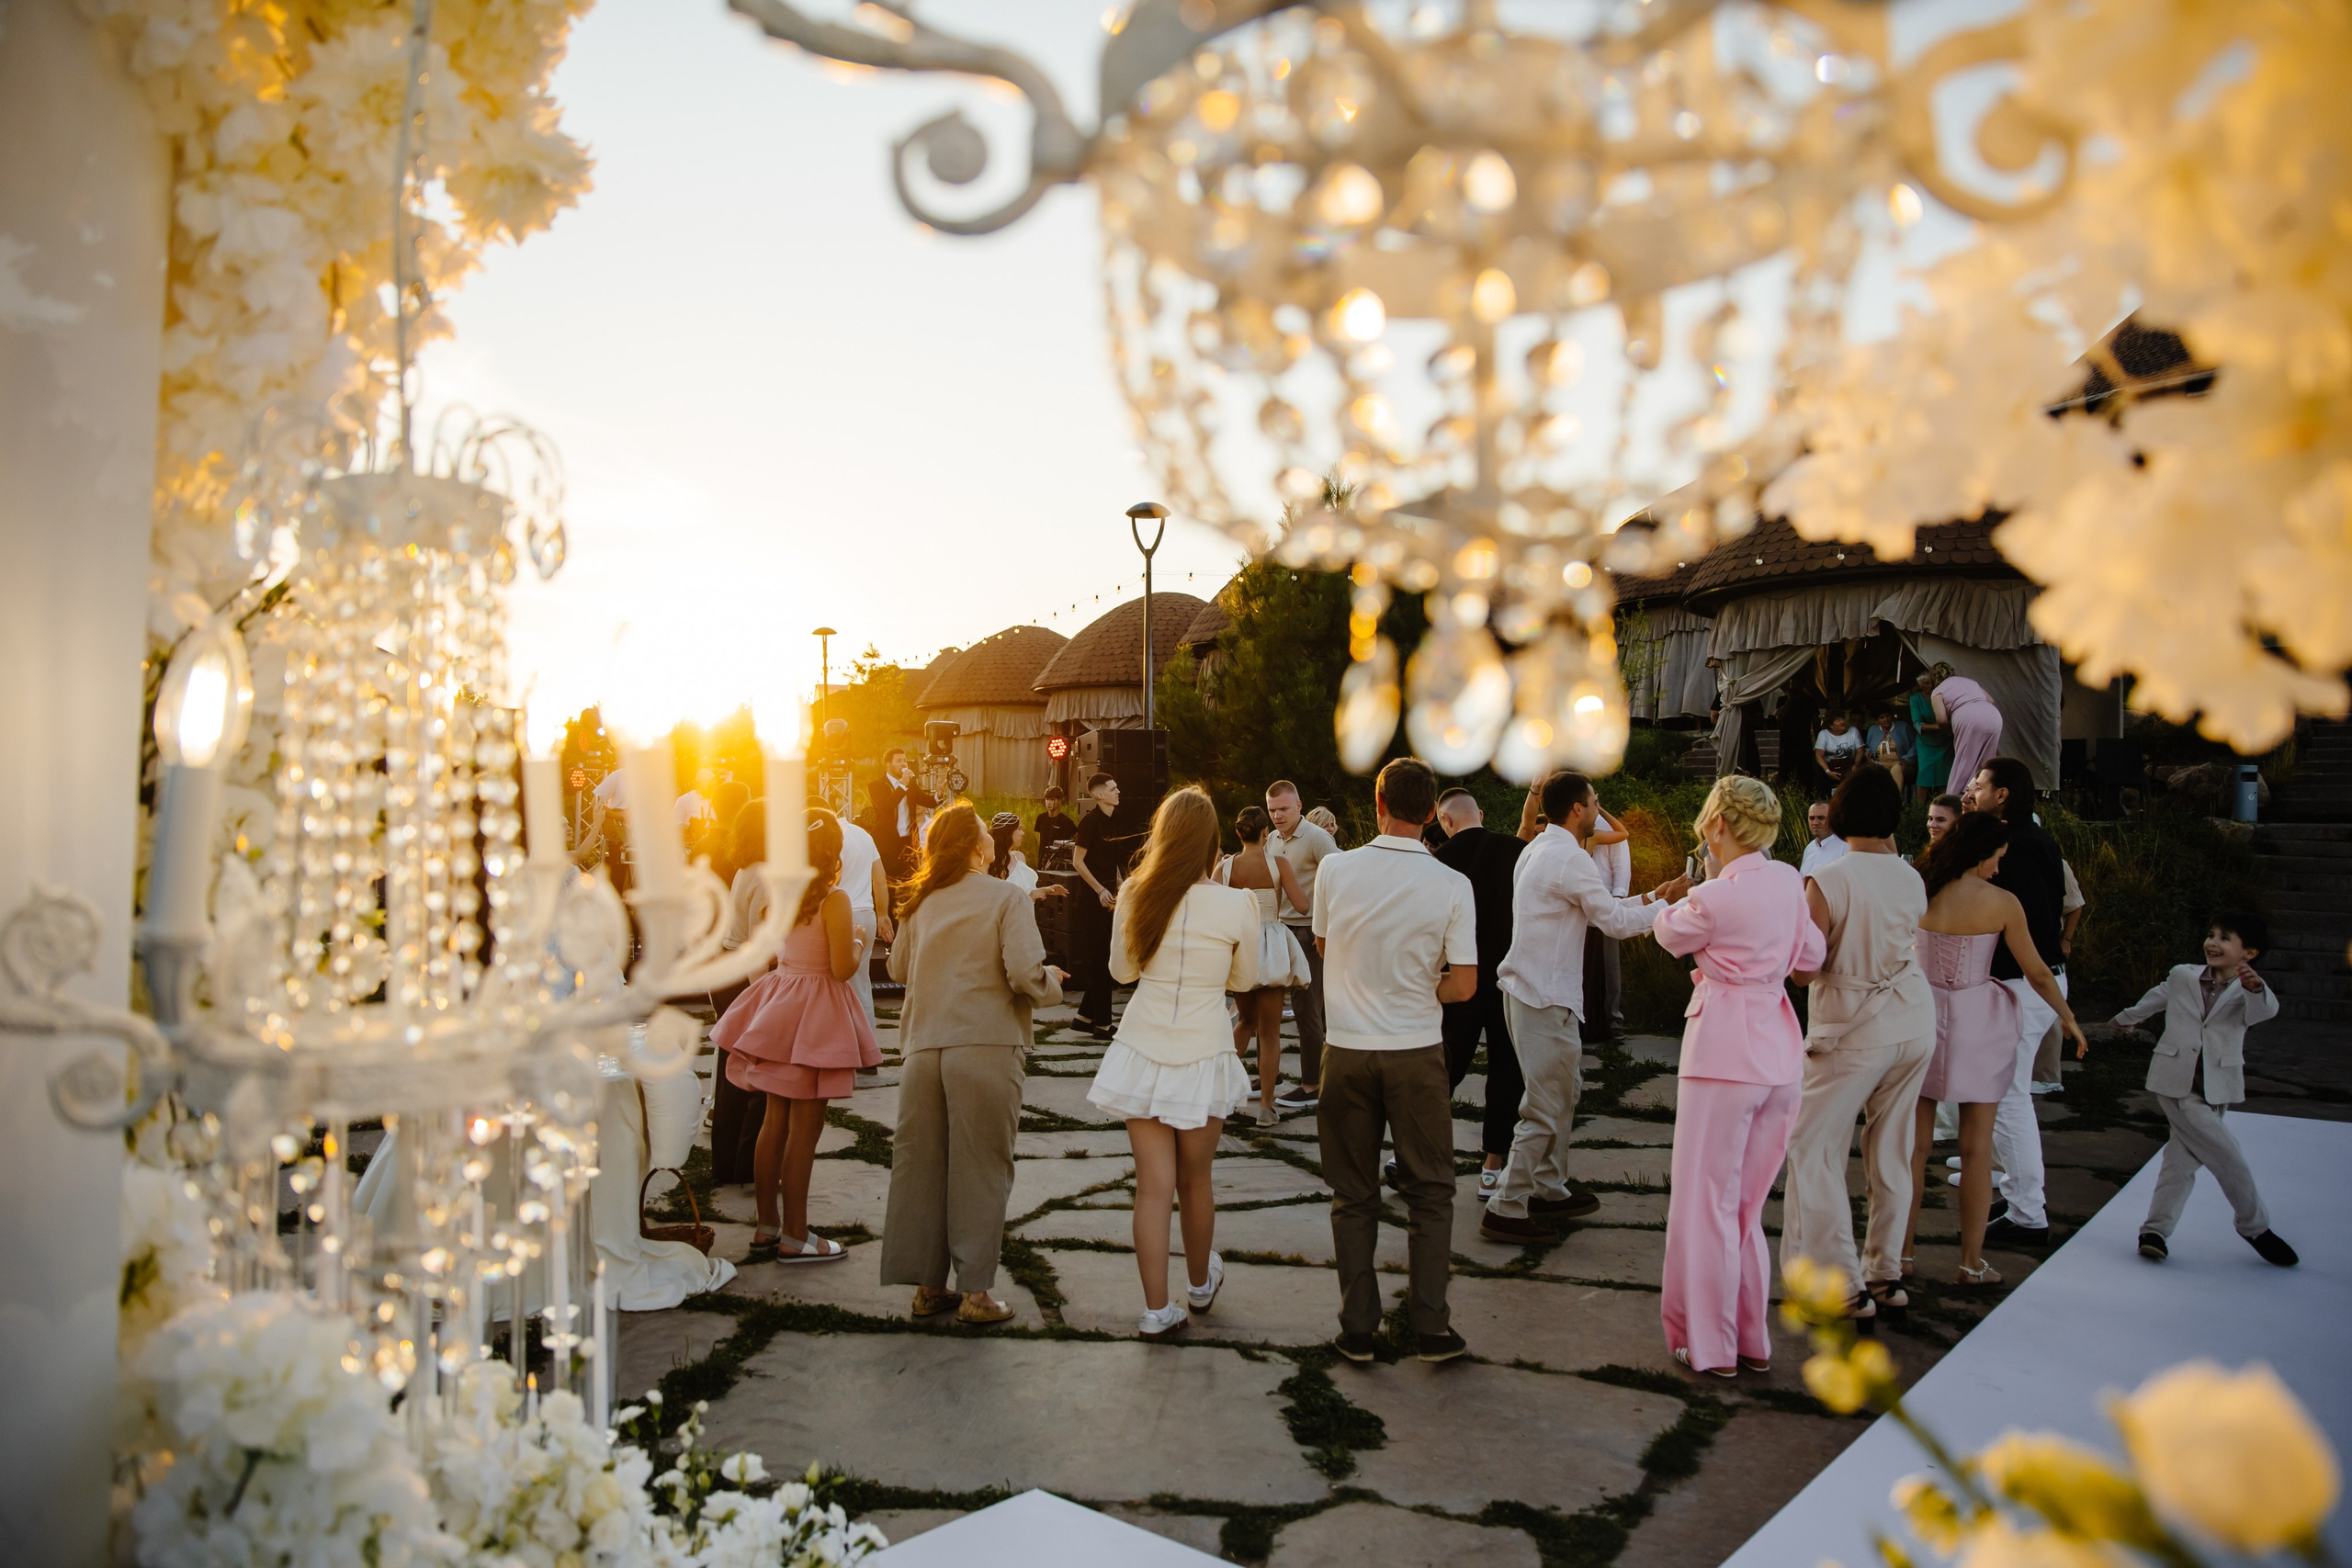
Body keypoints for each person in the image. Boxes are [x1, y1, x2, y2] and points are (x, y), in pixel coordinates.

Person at [1651, 776, 1822, 1377]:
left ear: (1719, 824)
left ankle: (1710, 1345)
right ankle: (1749, 1338)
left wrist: (1686, 891)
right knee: (1745, 1207)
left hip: (1723, 1053)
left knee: (1705, 1205)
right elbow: (1813, 957)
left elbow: (1668, 932)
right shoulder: (1789, 882)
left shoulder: (1716, 896)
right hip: (1779, 1054)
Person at [1311, 757, 1478, 1363]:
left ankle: (1359, 1327)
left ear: (1377, 803)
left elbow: (1326, 947)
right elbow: (1463, 985)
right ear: (1433, 813)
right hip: (1415, 1053)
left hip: (1348, 1050)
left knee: (1352, 1193)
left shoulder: (1335, 868)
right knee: (1430, 1190)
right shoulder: (1452, 884)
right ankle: (1431, 1325)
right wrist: (1415, 984)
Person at [881, 804, 1066, 1325]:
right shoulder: (1006, 897)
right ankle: (978, 1295)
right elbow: (1025, 975)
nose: (993, 840)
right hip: (984, 1046)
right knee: (981, 1167)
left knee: (922, 1168)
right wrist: (1052, 980)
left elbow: (897, 967)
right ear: (975, 846)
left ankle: (928, 1288)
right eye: (987, 833)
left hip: (923, 1048)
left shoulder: (920, 902)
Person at [1088, 788, 1261, 1337]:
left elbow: (1121, 973)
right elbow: (1244, 982)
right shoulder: (1238, 904)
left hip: (1143, 1049)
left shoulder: (1137, 891)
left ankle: (1156, 1311)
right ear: (1212, 842)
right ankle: (1201, 1286)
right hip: (1204, 1050)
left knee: (1152, 1187)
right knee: (1197, 1181)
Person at [1485, 773, 1684, 1245]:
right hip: (1545, 996)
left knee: (1564, 1092)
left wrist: (1657, 896)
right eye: (1594, 801)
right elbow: (1613, 922)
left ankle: (1549, 1187)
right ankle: (1507, 1205)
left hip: (1529, 990)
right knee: (1545, 1105)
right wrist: (1670, 911)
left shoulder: (1538, 847)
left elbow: (1597, 910)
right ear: (1577, 808)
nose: (1597, 807)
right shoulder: (1569, 858)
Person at [1781, 763, 1934, 1324]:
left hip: (1854, 1025)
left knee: (1813, 1147)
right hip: (1913, 1020)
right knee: (1891, 1148)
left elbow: (1804, 969)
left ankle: (1840, 1282)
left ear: (1840, 814)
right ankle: (1884, 1270)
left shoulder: (1830, 879)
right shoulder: (1910, 875)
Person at [1903, 811, 2083, 1286]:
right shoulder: (2002, 902)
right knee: (1976, 1148)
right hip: (1977, 1022)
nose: (1999, 868)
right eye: (1997, 858)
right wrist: (2067, 1017)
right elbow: (2039, 973)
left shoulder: (1917, 887)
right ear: (1981, 853)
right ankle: (1969, 1263)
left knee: (1914, 1149)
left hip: (1920, 1015)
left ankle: (1899, 1257)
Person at [714, 808, 881, 1265]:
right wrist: (860, 942)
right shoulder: (834, 901)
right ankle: (797, 1234)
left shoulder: (776, 899)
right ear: (834, 854)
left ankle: (766, 1227)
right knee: (805, 1132)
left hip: (780, 1007)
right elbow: (842, 969)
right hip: (816, 1015)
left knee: (773, 1124)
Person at [2112, 909, 2298, 1268]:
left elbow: (2265, 1012)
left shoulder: (2250, 991)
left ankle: (2154, 1232)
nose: (2213, 943)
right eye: (2211, 935)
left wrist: (2255, 989)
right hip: (2174, 1081)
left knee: (2180, 1161)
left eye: (2225, 938)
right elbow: (2158, 996)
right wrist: (2125, 1018)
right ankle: (2255, 1227)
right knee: (2229, 1157)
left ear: (2250, 953)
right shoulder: (2184, 975)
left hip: (2217, 1085)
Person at [1964, 757, 2069, 1247]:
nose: (1975, 788)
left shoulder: (2019, 848)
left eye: (1982, 784)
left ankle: (2029, 1214)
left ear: (2002, 794)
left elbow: (2021, 928)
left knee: (2008, 1097)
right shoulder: (2033, 837)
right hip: (2032, 982)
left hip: (2025, 985)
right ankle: (2018, 1191)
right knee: (2008, 1094)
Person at [1430, 788, 1527, 1196]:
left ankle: (1417, 1151)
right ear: (1481, 813)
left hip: (1462, 978)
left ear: (1446, 822)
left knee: (1445, 1068)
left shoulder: (1438, 863)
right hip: (1510, 977)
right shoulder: (1519, 850)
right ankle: (1492, 1167)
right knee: (1507, 1071)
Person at [1216, 805, 1313, 1123]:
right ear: (1265, 833)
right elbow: (1301, 905)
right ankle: (1267, 1109)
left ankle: (1224, 1099)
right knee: (1270, 1033)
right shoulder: (1279, 863)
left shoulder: (1226, 868)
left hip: (1240, 945)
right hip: (1271, 946)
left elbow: (1212, 907)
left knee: (1244, 1021)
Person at [1266, 781, 1340, 1111]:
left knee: (1308, 1012)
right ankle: (1269, 1076)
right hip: (1278, 931)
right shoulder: (1271, 839)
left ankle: (1314, 1085)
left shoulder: (1317, 838)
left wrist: (1326, 925)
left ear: (1299, 805)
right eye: (1272, 810)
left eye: (1283, 809)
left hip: (1309, 934)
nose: (1278, 815)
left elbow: (1343, 875)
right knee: (1266, 1009)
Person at [711, 801, 772, 1187]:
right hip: (745, 978)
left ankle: (727, 1165)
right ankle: (748, 1165)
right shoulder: (765, 876)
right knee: (756, 1076)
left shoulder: (744, 867)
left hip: (726, 970)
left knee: (730, 1073)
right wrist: (763, 1001)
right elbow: (757, 947)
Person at [1069, 772, 1140, 1038]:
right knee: (1100, 960)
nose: (1118, 791)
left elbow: (1119, 860)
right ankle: (1102, 1025)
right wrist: (1099, 889)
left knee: (1107, 957)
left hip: (1111, 898)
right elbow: (1078, 862)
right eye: (1112, 789)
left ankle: (1083, 1017)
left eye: (1116, 786)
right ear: (1099, 795)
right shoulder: (1089, 822)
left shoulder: (1117, 819)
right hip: (1091, 899)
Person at [2030, 860, 2086, 1094]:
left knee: (2048, 1009)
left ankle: (2046, 1077)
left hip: (2046, 948)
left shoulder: (2056, 863)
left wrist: (2067, 940)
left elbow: (2075, 904)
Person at [1582, 801, 1634, 1043]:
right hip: (1576, 905)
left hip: (1606, 902)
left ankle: (1613, 1021)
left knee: (1610, 964)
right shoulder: (1572, 831)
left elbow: (1621, 866)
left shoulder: (1601, 829)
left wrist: (1617, 900)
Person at [837, 812, 888, 1023]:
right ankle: (869, 1045)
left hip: (842, 913)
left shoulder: (830, 836)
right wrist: (883, 913)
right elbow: (879, 876)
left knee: (843, 989)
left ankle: (856, 1046)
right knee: (862, 986)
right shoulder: (864, 835)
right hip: (867, 913)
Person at [1928, 667, 2004, 799]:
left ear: (1933, 679)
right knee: (1987, 760)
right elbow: (1990, 700)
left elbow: (1941, 720)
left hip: (1968, 716)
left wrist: (1949, 731)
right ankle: (1986, 795)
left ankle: (1955, 799)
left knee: (1964, 760)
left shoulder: (1937, 691)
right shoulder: (1970, 682)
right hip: (1993, 715)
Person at [869, 748, 935, 879]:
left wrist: (939, 795)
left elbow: (928, 801)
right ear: (888, 765)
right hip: (887, 844)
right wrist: (903, 785)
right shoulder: (877, 785)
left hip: (908, 843)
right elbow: (886, 806)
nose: (904, 764)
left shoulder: (910, 784)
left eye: (905, 760)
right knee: (889, 883)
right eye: (899, 761)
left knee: (910, 883)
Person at [1909, 670, 1953, 804]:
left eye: (1930, 682)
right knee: (1924, 776)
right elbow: (1917, 724)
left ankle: (1944, 805)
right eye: (1926, 683)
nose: (1929, 686)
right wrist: (1941, 726)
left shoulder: (1942, 695)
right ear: (1920, 685)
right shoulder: (1915, 699)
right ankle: (1919, 810)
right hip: (1926, 743)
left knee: (1945, 776)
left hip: (1945, 742)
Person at [1867, 705, 1915, 794]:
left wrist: (1907, 759)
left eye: (1887, 715)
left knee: (1896, 769)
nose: (1886, 719)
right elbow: (1867, 747)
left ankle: (1895, 800)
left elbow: (1914, 745)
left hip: (1901, 764)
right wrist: (1868, 752)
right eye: (1882, 717)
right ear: (1876, 720)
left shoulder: (1903, 727)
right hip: (1881, 763)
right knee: (1874, 770)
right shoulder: (1873, 730)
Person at [1814, 711, 1864, 793]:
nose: (1842, 722)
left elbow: (1860, 751)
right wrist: (1828, 771)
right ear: (1831, 725)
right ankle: (1825, 799)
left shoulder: (1853, 731)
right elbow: (1819, 755)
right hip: (1830, 765)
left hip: (1850, 765)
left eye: (1843, 719)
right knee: (1818, 770)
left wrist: (1856, 765)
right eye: (1838, 720)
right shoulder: (1823, 734)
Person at [1800, 799, 1849, 878]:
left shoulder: (1845, 847)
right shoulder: (1809, 848)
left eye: (1821, 818)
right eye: (1812, 818)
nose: (1815, 823)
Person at [1035, 784, 1079, 871]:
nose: (1048, 802)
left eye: (1052, 799)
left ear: (1060, 801)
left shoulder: (1067, 821)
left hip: (1060, 864)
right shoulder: (1041, 818)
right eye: (1047, 799)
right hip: (1043, 861)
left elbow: (1078, 839)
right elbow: (1038, 838)